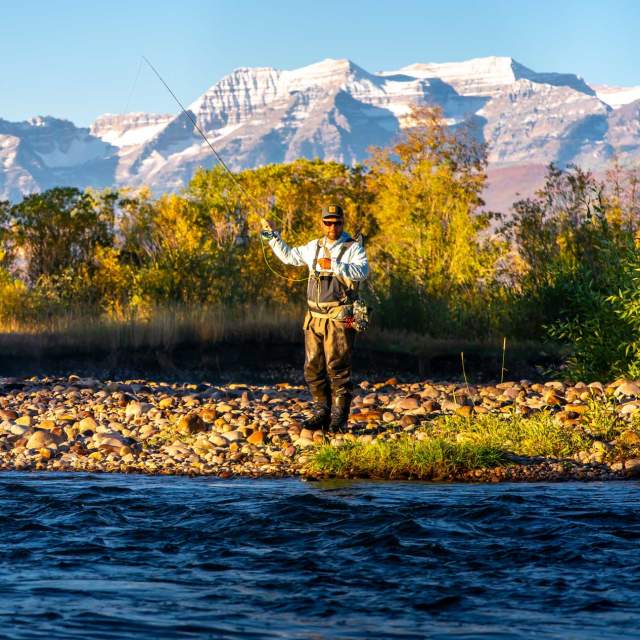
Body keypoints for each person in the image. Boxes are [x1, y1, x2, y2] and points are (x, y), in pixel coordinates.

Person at [260, 204, 369, 431]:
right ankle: (322, 412)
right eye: (328, 222)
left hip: (341, 316)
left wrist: (335, 265)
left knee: (338, 367)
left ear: (342, 223)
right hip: (313, 318)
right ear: (322, 223)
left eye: (336, 222)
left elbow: (363, 271)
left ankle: (339, 418)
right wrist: (272, 236)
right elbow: (289, 256)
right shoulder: (313, 247)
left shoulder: (353, 248)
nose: (332, 227)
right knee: (312, 366)